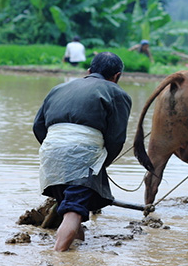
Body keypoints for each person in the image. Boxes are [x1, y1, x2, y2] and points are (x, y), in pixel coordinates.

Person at [33, 52, 132, 251]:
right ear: (117, 76)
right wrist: (102, 162)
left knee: (70, 206)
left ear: (89, 71)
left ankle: (75, 248)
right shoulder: (117, 93)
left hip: (51, 151)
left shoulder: (58, 88)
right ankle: (57, 257)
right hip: (84, 154)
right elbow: (116, 138)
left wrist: (56, 150)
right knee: (73, 213)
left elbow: (38, 126)